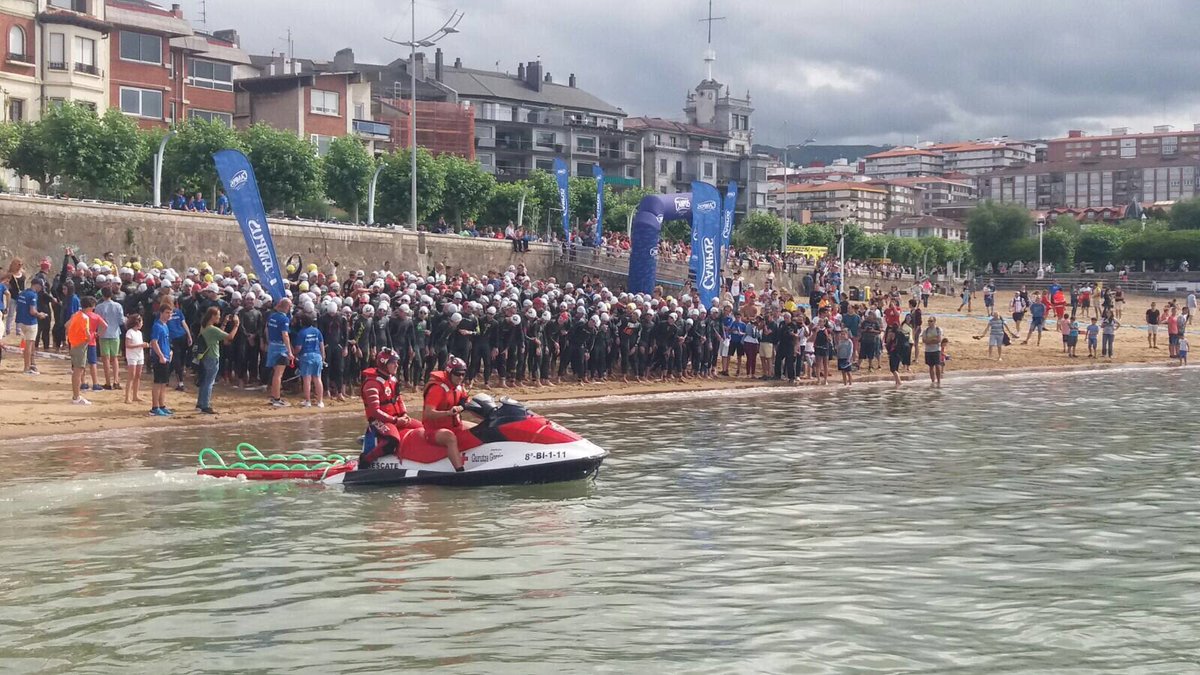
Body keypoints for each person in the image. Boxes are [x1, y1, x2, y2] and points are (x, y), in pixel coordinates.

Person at [359, 348, 424, 465]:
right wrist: (395, 420)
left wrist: (404, 414)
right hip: (379, 421)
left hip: (396, 417)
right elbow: (375, 412)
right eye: (393, 362)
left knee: (424, 429)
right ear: (384, 363)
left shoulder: (393, 379)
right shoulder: (371, 383)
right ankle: (366, 460)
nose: (397, 365)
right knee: (393, 440)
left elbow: (398, 399)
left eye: (397, 362)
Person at [422, 355, 469, 471]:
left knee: (478, 428)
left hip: (455, 426)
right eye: (457, 374)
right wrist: (448, 413)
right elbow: (428, 413)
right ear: (450, 373)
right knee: (450, 437)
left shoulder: (459, 387)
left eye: (463, 374)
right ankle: (460, 471)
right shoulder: (437, 389)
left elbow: (466, 401)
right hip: (434, 431)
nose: (460, 377)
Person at [195, 307, 239, 415]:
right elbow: (229, 337)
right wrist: (236, 325)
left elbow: (219, 336)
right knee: (209, 382)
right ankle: (205, 405)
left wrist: (224, 323)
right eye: (218, 315)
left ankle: (200, 404)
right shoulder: (212, 329)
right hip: (212, 356)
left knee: (204, 381)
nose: (219, 317)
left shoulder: (205, 327)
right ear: (212, 316)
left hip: (205, 356)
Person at [266, 297, 295, 407]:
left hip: (272, 346)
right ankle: (277, 399)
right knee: (279, 374)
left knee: (275, 374)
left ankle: (274, 396)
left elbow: (267, 330)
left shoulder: (272, 316)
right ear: (287, 307)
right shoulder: (284, 319)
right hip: (280, 348)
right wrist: (289, 351)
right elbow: (285, 335)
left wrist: (269, 342)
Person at [96, 287, 125, 390]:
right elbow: (121, 321)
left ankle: (108, 382)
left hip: (103, 334)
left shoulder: (99, 307)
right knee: (115, 358)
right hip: (115, 333)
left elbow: (97, 321)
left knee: (106, 359)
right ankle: (116, 381)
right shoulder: (118, 306)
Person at [16, 277, 46, 375]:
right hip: (30, 322)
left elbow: (18, 307)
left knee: (31, 344)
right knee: (29, 345)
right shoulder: (33, 295)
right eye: (41, 286)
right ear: (37, 285)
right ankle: (26, 368)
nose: (41, 288)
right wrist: (40, 314)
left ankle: (32, 364)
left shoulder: (22, 293)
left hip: (21, 321)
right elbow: (32, 311)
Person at [295, 313, 326, 408]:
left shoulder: (302, 332)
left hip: (306, 357)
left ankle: (308, 401)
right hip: (317, 356)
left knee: (307, 380)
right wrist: (323, 356)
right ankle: (320, 401)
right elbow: (321, 344)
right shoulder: (317, 331)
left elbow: (299, 347)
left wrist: (294, 353)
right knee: (317, 378)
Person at [149, 303, 174, 416]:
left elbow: (165, 341)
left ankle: (162, 405)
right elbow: (154, 342)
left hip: (166, 356)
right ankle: (155, 407)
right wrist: (160, 356)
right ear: (161, 313)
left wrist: (169, 352)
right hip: (159, 358)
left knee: (164, 383)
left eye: (170, 313)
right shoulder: (157, 326)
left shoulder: (166, 325)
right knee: (158, 382)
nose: (169, 315)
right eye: (167, 313)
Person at [124, 314, 146, 404]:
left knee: (138, 375)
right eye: (141, 321)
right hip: (132, 356)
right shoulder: (130, 332)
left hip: (139, 355)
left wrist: (143, 345)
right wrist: (141, 345)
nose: (142, 323)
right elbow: (128, 345)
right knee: (131, 376)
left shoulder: (139, 333)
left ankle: (135, 395)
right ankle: (127, 396)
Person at [921, 316, 943, 387]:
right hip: (928, 350)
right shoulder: (926, 330)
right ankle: (933, 381)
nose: (929, 323)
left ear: (934, 322)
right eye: (929, 321)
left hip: (936, 350)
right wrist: (932, 340)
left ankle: (939, 381)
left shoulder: (938, 329)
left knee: (937, 365)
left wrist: (930, 340)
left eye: (931, 321)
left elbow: (938, 340)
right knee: (930, 366)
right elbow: (924, 340)